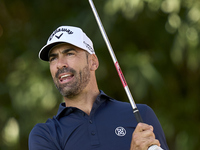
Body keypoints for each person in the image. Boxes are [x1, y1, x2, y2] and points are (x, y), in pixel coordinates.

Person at [29, 26, 169, 150]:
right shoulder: (45, 134)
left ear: (93, 62)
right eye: (53, 58)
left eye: (69, 54)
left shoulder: (141, 116)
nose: (60, 64)